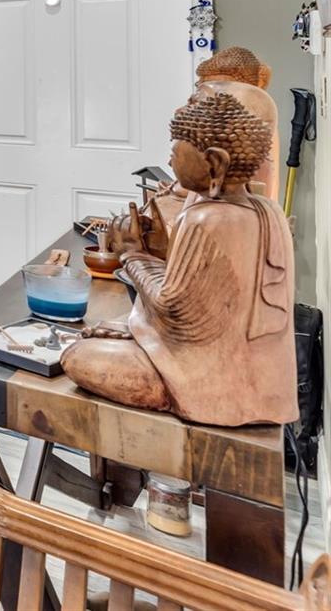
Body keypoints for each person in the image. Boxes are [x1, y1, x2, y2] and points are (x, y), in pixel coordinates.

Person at [61, 91, 296, 426]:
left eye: (175, 154)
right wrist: (150, 255)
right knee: (97, 338)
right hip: (256, 380)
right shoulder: (268, 210)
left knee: (76, 356)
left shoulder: (208, 219)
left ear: (214, 163)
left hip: (206, 382)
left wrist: (132, 254)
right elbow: (194, 296)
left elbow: (174, 309)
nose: (170, 164)